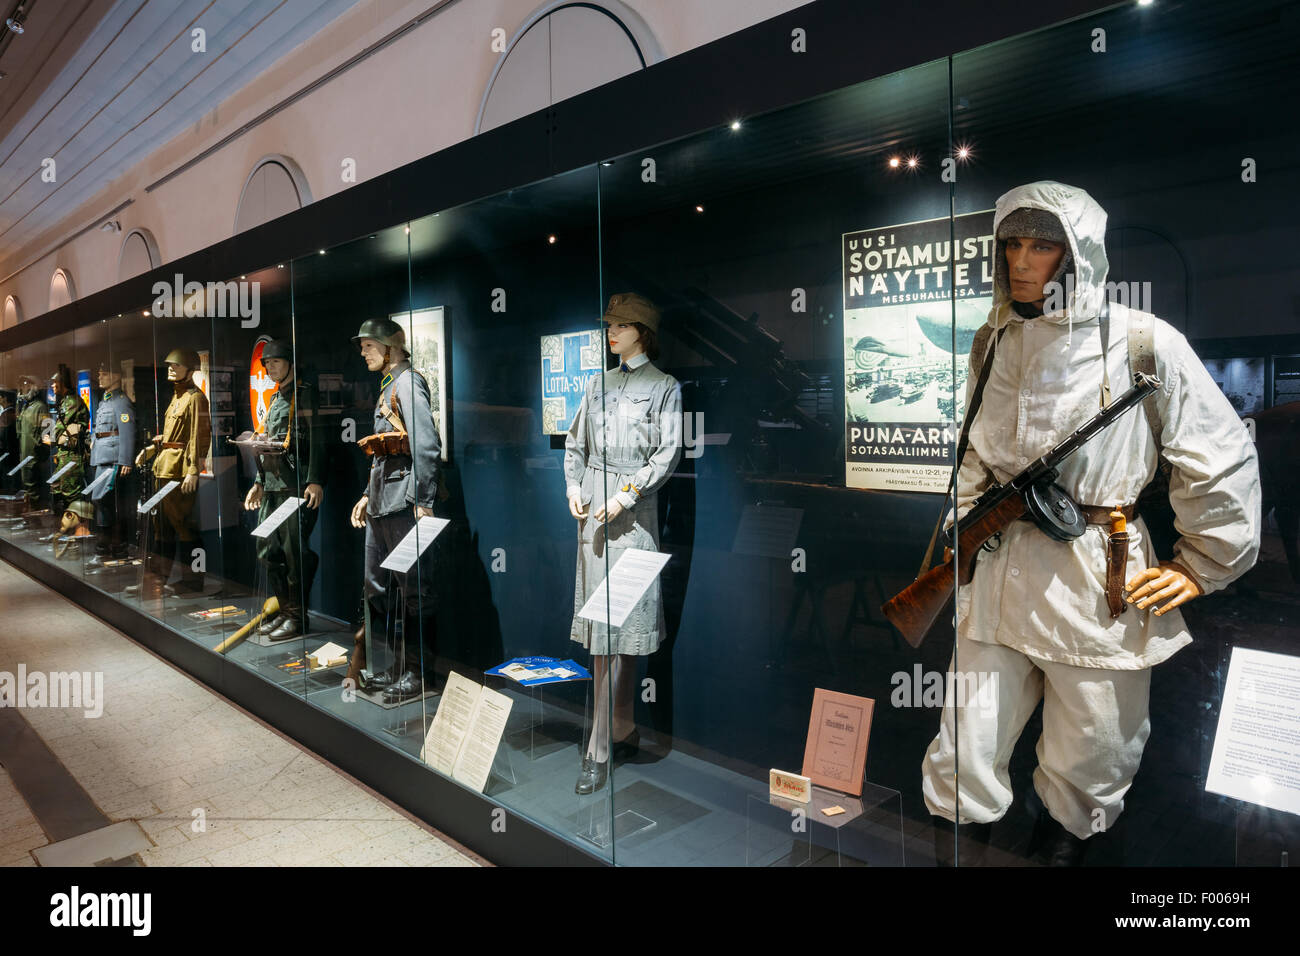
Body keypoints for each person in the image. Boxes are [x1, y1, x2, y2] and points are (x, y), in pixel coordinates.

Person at [920, 181, 1260, 866]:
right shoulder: (993, 340)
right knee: (964, 747)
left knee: (1092, 753)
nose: (1021, 261)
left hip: (1097, 579)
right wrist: (965, 529)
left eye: (1042, 245)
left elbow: (1218, 453)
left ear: (1078, 254)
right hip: (998, 573)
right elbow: (973, 456)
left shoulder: (1142, 341)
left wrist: (1202, 563)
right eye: (1011, 243)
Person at [564, 293, 682, 794]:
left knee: (626, 631)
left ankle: (604, 741)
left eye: (620, 325)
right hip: (593, 516)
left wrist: (628, 494)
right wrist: (573, 486)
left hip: (633, 519)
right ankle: (611, 731)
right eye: (609, 325)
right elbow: (575, 443)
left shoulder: (664, 387)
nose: (610, 332)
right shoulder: (597, 382)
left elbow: (669, 450)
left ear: (642, 331)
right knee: (600, 636)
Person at [349, 318, 441, 703]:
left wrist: (423, 499)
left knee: (414, 591)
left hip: (405, 503)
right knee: (380, 587)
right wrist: (369, 495)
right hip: (384, 503)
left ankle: (418, 672)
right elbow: (385, 451)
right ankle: (399, 666)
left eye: (369, 346)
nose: (363, 353)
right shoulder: (389, 385)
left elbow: (424, 444)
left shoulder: (407, 382)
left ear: (391, 347)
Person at [243, 340, 326, 640]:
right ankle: (284, 609)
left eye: (276, 362)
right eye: (267, 364)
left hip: (296, 486)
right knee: (267, 548)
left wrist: (315, 479)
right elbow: (267, 444)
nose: (270, 367)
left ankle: (296, 616)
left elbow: (317, 439)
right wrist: (258, 483)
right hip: (274, 486)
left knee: (294, 554)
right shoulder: (276, 398)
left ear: (290, 362)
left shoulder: (303, 396)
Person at [131, 348, 211, 598]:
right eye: (170, 365)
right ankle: (157, 579)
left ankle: (193, 582)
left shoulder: (195, 398)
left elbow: (199, 437)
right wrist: (151, 449)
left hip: (179, 471)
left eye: (176, 365)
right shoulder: (176, 398)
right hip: (164, 467)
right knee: (161, 526)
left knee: (184, 525)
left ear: (189, 368)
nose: (171, 368)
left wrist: (194, 470)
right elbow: (171, 437)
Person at [86, 363, 136, 569]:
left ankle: (114, 548)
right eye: (99, 373)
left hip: (114, 459)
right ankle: (105, 548)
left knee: (106, 501)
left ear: (116, 377)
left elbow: (128, 431)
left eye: (104, 373)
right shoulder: (105, 401)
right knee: (101, 502)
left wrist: (125, 460)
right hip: (102, 456)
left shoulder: (122, 402)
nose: (100, 376)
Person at [38, 364, 90, 543]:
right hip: (63, 456)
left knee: (72, 494)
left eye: (55, 383)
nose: (53, 386)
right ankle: (67, 532)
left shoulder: (72, 402)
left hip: (71, 456)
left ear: (63, 383)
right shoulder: (63, 402)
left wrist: (51, 436)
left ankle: (80, 533)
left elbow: (60, 428)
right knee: (61, 492)